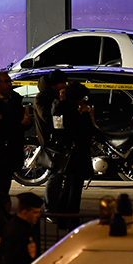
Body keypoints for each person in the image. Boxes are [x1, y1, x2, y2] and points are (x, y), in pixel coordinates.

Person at [50, 82, 95, 229]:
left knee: (66, 186)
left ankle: (62, 220)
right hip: (77, 155)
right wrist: (87, 114)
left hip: (65, 154)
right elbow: (86, 132)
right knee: (75, 189)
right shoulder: (74, 112)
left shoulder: (58, 108)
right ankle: (72, 222)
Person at [33, 69, 68, 216]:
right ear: (56, 84)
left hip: (61, 139)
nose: (65, 85)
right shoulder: (42, 98)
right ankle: (50, 210)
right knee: (55, 175)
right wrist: (60, 102)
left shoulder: (54, 96)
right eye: (63, 82)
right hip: (51, 141)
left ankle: (58, 208)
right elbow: (48, 118)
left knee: (61, 176)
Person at [0, 192, 43, 264]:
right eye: (35, 212)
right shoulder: (14, 231)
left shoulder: (28, 226)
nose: (38, 215)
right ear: (25, 212)